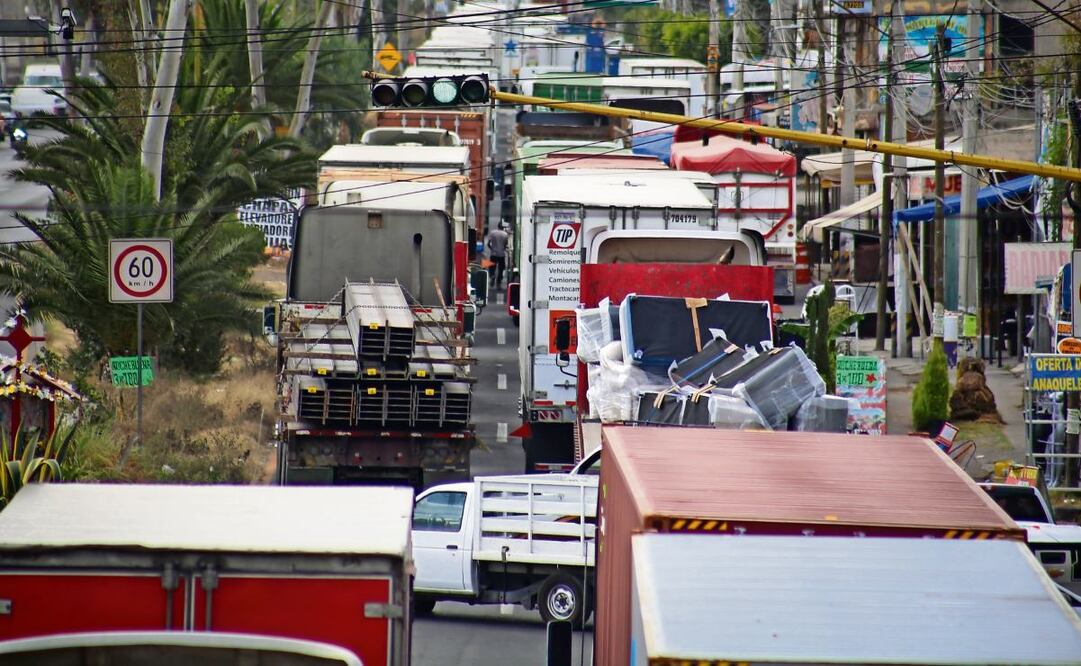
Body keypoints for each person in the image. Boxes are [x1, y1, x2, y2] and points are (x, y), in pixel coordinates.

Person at [486, 223, 509, 289]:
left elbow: (488, 244)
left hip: (493, 254)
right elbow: (505, 245)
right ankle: (498, 283)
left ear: (498, 226)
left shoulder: (492, 233)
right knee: (501, 269)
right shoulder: (505, 234)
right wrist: (502, 249)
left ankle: (492, 276)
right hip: (501, 254)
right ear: (503, 227)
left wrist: (492, 249)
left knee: (492, 267)